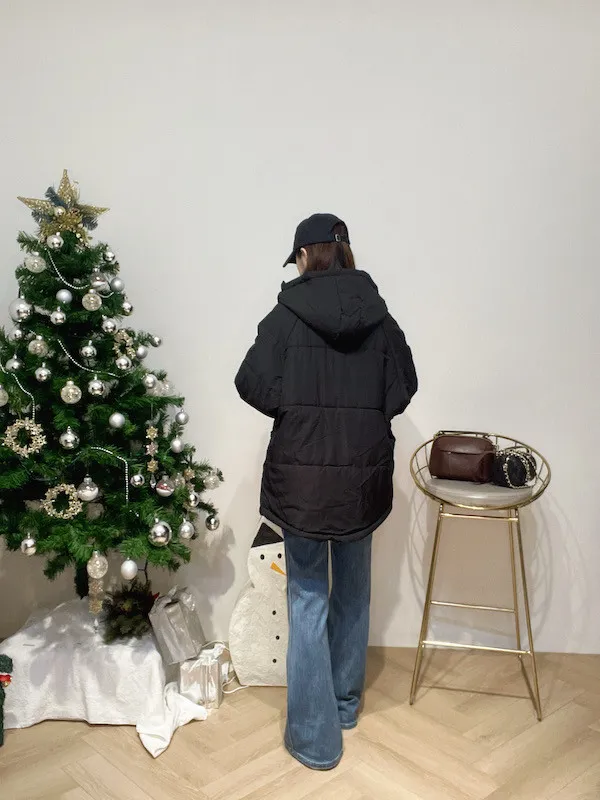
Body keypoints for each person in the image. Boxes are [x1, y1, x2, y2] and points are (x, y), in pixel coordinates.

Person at [235, 213, 417, 770]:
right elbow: (403, 387)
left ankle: (315, 740)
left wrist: (297, 406)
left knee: (308, 596)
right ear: (344, 252)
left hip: (303, 483)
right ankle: (343, 706)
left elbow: (250, 383)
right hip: (361, 478)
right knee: (354, 591)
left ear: (304, 256)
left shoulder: (285, 317)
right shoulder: (379, 317)